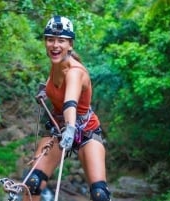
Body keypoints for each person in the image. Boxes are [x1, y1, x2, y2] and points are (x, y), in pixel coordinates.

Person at [23, 15, 111, 201]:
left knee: (99, 194)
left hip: (86, 130)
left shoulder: (75, 72)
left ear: (70, 44)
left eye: (61, 41)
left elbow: (69, 102)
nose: (55, 45)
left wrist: (70, 128)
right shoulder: (56, 64)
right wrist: (46, 91)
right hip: (59, 127)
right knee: (33, 182)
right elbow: (57, 86)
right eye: (50, 39)